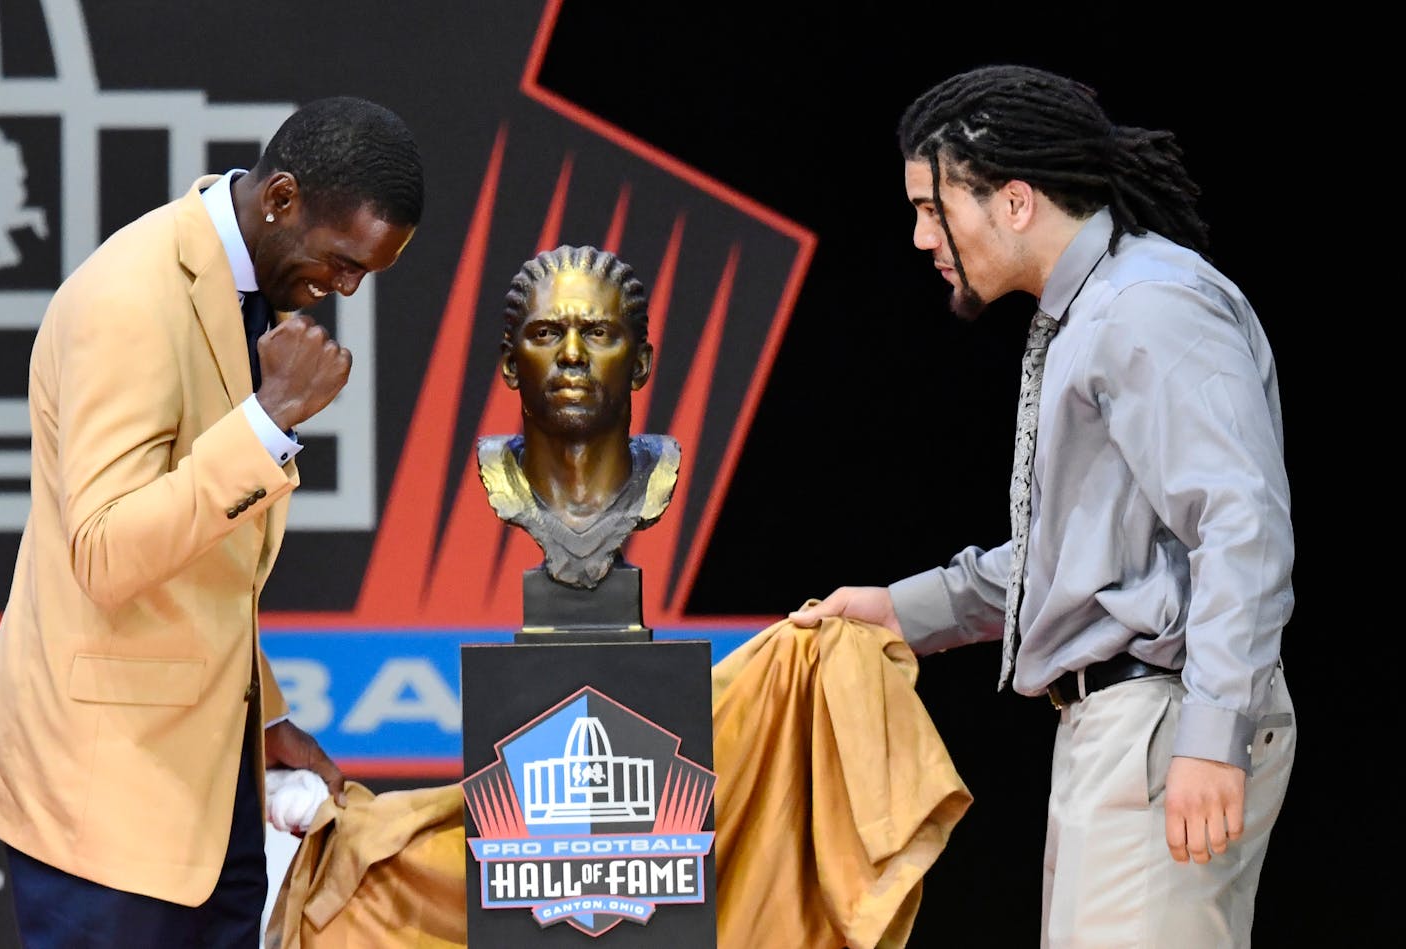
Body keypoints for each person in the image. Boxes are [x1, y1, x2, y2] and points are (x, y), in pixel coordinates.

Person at [789, 64, 1295, 946]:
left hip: (1163, 716)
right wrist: (903, 610)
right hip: (1121, 725)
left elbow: (1240, 523)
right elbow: (1075, 557)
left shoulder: (1146, 305)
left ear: (1014, 201)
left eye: (930, 207)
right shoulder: (1088, 311)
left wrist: (1213, 733)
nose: (919, 237)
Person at [0, 95, 424, 947]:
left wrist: (259, 716)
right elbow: (107, 552)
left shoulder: (241, 288)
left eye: (368, 272)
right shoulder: (133, 297)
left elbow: (199, 567)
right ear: (282, 198)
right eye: (342, 261)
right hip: (105, 806)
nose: (346, 289)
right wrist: (267, 422)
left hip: (207, 791)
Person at [477, 244, 679, 590]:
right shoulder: (500, 472)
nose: (572, 354)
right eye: (546, 333)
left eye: (597, 333)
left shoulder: (658, 473)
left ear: (639, 365)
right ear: (511, 366)